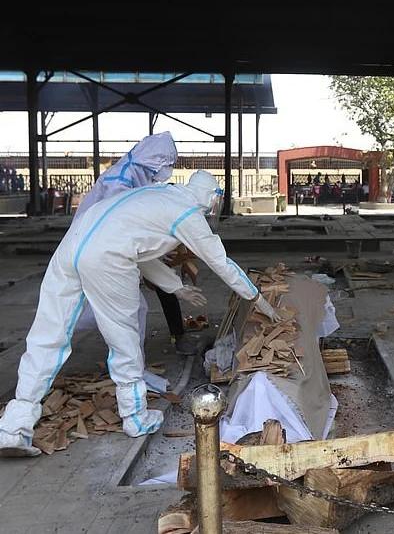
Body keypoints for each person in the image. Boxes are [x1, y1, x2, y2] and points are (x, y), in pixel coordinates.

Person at [0, 171, 282, 457]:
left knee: (48, 335)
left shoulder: (156, 196)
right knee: (123, 336)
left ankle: (14, 426)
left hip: (71, 246)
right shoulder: (187, 213)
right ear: (212, 198)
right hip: (107, 257)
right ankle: (135, 416)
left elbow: (137, 249)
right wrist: (256, 297)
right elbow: (221, 263)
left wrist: (177, 287)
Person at [71, 133, 194, 354]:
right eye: (168, 163)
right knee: (128, 307)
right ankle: (129, 368)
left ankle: (131, 363)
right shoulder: (119, 182)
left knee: (127, 305)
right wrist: (152, 252)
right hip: (99, 248)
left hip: (111, 246)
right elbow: (122, 225)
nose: (168, 169)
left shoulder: (139, 177)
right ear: (155, 160)